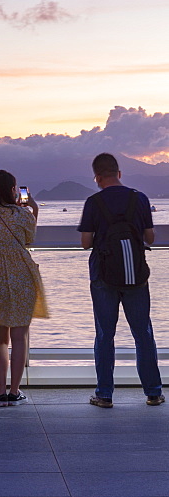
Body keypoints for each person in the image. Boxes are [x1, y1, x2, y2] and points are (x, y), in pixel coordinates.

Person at [78, 152, 164, 408]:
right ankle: (153, 392)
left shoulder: (94, 202)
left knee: (105, 334)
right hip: (136, 274)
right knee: (143, 332)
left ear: (97, 177)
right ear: (119, 173)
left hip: (103, 275)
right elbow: (150, 238)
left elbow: (85, 243)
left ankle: (104, 394)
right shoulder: (140, 198)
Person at [0, 170, 47, 406]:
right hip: (21, 276)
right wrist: (33, 209)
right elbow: (30, 239)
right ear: (12, 190)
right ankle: (15, 391)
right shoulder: (22, 214)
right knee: (19, 337)